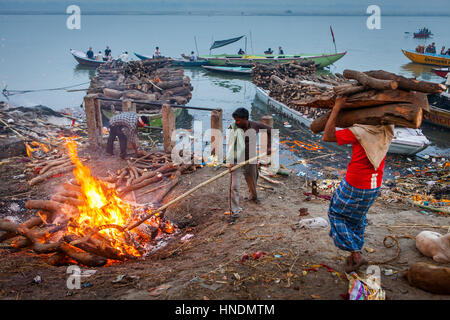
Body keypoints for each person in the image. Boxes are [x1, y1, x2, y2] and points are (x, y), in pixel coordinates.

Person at [322, 97, 394, 272]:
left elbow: (327, 135)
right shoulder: (387, 129)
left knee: (336, 213)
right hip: (374, 185)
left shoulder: (360, 132)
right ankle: (355, 253)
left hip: (356, 183)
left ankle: (356, 253)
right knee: (357, 219)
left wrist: (337, 108)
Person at [226, 108, 272, 223]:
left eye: (238, 120)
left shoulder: (255, 126)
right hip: (236, 160)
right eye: (235, 120)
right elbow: (230, 145)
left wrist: (269, 146)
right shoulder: (233, 127)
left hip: (251, 159)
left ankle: (253, 196)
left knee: (252, 180)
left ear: (246, 119)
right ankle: (234, 212)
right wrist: (230, 160)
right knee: (234, 187)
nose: (236, 122)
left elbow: (270, 130)